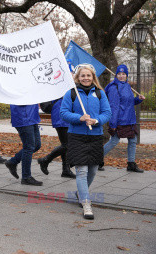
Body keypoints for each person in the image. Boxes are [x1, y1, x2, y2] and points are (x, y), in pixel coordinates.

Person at [60, 63, 111, 220]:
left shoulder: (100, 93)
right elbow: (64, 112)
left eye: (88, 75)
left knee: (93, 169)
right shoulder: (71, 93)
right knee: (81, 171)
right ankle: (86, 202)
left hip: (95, 136)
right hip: (77, 136)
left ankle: (80, 193)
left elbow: (107, 113)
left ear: (93, 77)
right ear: (78, 77)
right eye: (83, 75)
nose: (86, 78)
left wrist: (96, 121)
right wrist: (79, 118)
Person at [101, 64, 145, 173]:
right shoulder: (113, 87)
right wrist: (113, 124)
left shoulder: (127, 86)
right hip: (120, 120)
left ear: (126, 75)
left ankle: (131, 164)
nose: (121, 76)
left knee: (133, 140)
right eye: (119, 74)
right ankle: (96, 159)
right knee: (114, 141)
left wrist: (138, 99)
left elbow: (129, 103)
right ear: (116, 75)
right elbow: (114, 107)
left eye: (123, 74)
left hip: (130, 119)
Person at [37, 97, 76, 178]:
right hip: (61, 116)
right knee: (67, 145)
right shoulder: (63, 87)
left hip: (64, 115)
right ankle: (45, 160)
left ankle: (66, 170)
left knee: (65, 145)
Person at [4, 104, 42, 186]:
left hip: (32, 116)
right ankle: (26, 177)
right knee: (29, 147)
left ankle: (13, 162)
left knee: (36, 145)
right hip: (23, 117)